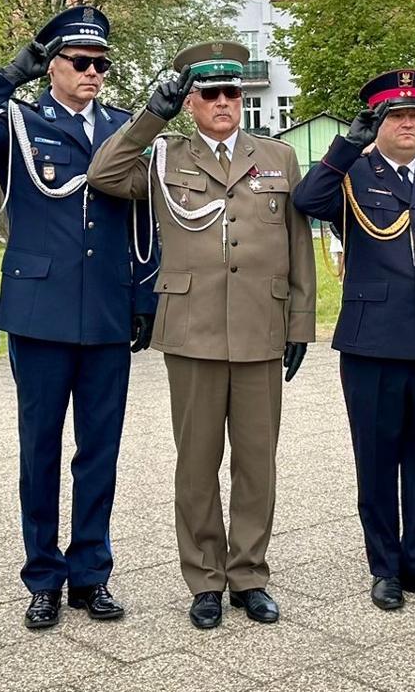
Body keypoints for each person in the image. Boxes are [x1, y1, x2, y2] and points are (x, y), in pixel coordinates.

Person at [86, 41, 316, 630]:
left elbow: (297, 244)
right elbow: (104, 173)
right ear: (191, 101)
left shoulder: (277, 158)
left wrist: (299, 322)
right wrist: (150, 115)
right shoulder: (166, 157)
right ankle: (205, 579)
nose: (223, 103)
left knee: (257, 461)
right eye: (210, 94)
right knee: (196, 462)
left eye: (232, 94)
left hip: (261, 326)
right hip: (192, 329)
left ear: (243, 99)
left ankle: (249, 576)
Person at [0, 7, 153, 629]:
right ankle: (43, 576)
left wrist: (145, 297)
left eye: (101, 64)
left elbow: (144, 221)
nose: (92, 73)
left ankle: (91, 573)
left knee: (100, 452)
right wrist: (10, 74)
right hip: (40, 313)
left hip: (108, 308)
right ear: (52, 66)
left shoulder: (123, 127)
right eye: (80, 62)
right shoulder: (20, 122)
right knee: (40, 451)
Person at [294, 69, 415, 610]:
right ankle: (384, 567)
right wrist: (347, 144)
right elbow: (308, 201)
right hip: (373, 341)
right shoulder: (352, 174)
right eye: (396, 116)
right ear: (378, 122)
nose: (408, 123)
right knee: (377, 457)